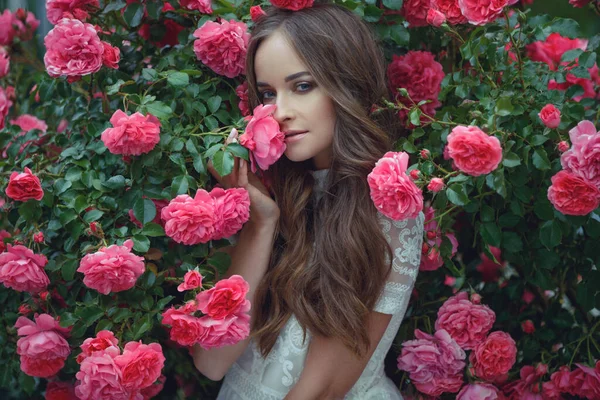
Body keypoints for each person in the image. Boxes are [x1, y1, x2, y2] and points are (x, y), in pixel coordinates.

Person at [193, 3, 424, 399]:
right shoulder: (279, 191)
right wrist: (262, 224)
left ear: (346, 85)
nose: (279, 111)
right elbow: (210, 362)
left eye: (302, 86)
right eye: (268, 93)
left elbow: (320, 392)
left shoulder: (388, 206)